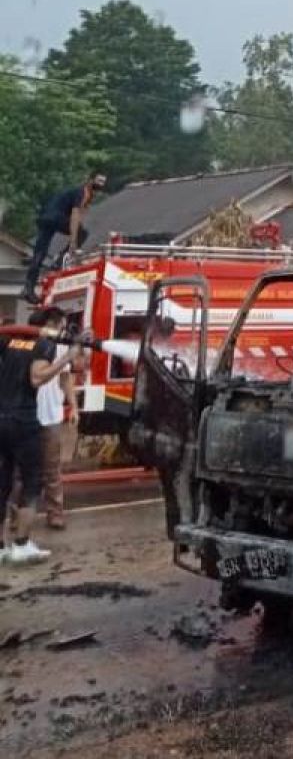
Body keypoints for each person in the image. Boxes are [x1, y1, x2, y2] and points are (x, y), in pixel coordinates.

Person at [0, 322, 82, 565]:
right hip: (24, 422)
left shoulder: (9, 343)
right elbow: (37, 378)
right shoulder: (44, 345)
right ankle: (22, 545)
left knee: (2, 484)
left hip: (2, 418)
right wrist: (66, 356)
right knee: (31, 484)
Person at [22, 172, 106, 304]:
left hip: (45, 217)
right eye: (99, 181)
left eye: (103, 182)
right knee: (82, 233)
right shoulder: (82, 192)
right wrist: (73, 242)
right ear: (90, 180)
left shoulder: (76, 192)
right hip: (56, 217)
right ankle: (60, 261)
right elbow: (75, 216)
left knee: (39, 254)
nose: (101, 185)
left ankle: (28, 288)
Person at [28, 307, 77, 529]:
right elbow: (36, 377)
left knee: (52, 469)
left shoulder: (62, 346)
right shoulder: (30, 344)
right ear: (51, 324)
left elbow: (66, 379)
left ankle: (55, 513)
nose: (64, 330)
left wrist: (73, 406)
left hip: (52, 416)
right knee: (22, 469)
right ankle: (15, 515)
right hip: (27, 415)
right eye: (62, 326)